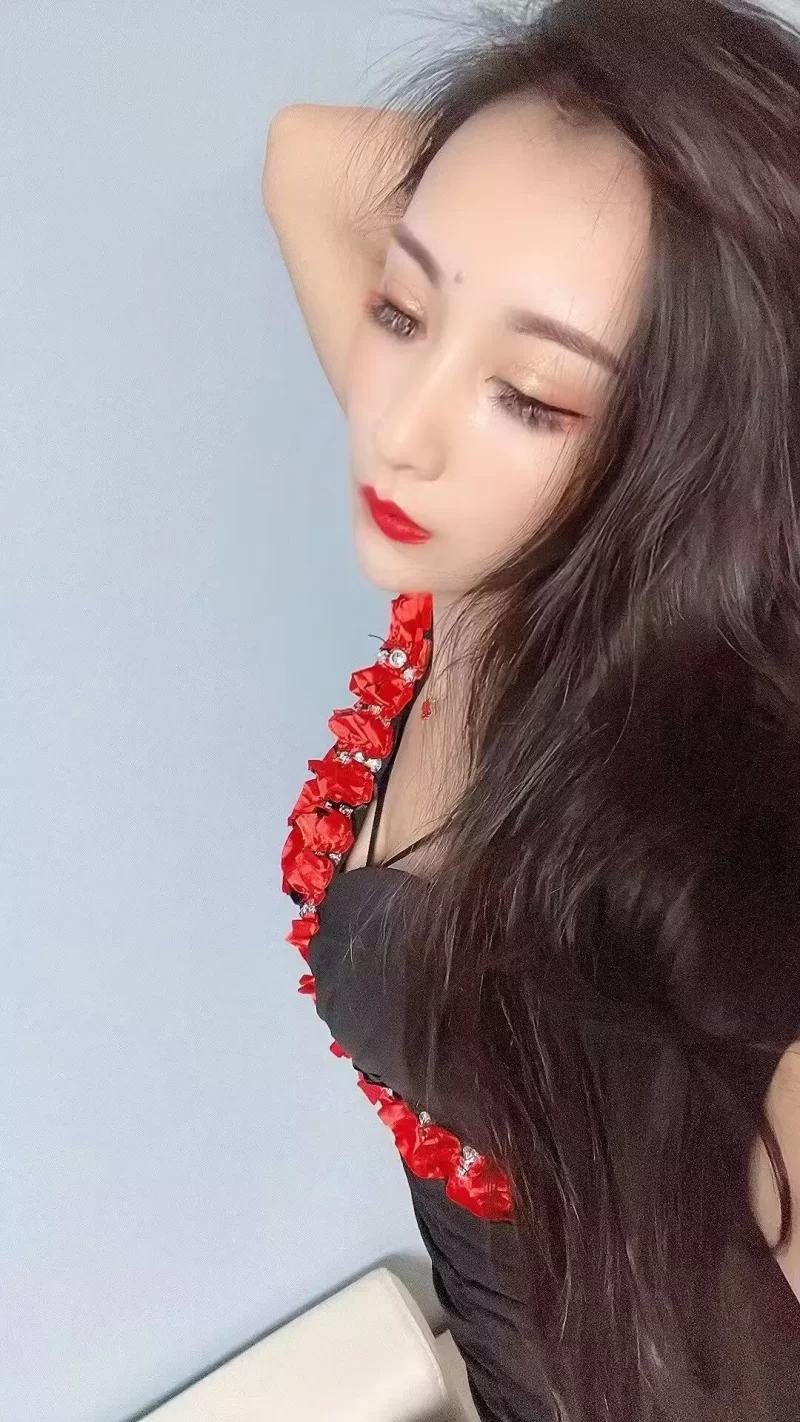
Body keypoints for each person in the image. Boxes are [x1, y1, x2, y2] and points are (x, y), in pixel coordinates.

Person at [263, 1, 800, 1416]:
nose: (398, 426)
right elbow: (308, 160)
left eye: (532, 394)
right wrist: (625, 110)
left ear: (700, 452)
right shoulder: (479, 564)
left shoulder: (709, 863)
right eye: (403, 311)